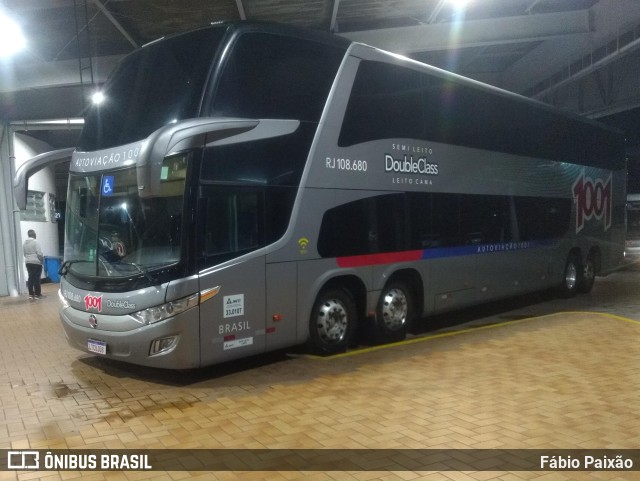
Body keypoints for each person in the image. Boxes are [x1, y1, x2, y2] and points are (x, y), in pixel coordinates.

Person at [23, 229, 44, 300]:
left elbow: (25, 254)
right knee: (36, 278)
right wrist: (41, 260)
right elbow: (39, 253)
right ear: (34, 234)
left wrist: (29, 259)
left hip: (28, 262)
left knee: (30, 278)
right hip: (36, 262)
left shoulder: (24, 243)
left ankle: (31, 294)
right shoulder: (36, 242)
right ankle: (38, 294)